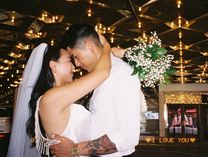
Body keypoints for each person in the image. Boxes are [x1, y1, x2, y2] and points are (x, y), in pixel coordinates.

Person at [7, 33, 111, 157]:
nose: (75, 66)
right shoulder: (50, 98)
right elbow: (102, 73)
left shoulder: (57, 96)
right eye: (69, 60)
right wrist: (106, 47)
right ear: (54, 66)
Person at [50, 23, 141, 157]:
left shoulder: (121, 74)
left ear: (88, 46)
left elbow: (128, 136)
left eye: (76, 56)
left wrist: (75, 149)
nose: (77, 64)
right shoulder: (100, 76)